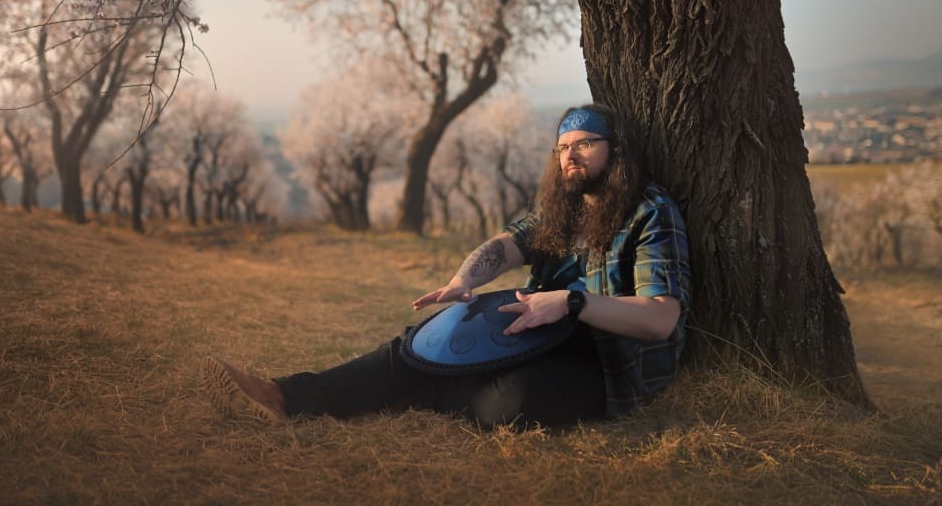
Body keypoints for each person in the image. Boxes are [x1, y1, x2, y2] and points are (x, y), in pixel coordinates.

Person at [205, 104, 691, 428]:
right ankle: (286, 396)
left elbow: (660, 318)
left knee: (509, 401)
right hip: (544, 324)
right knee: (424, 344)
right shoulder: (563, 206)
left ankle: (419, 391)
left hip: (609, 357)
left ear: (615, 150)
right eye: (563, 148)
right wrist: (464, 279)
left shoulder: (650, 212)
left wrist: (571, 302)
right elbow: (507, 245)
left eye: (584, 144)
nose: (570, 156)